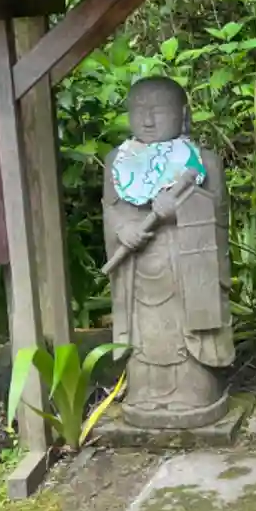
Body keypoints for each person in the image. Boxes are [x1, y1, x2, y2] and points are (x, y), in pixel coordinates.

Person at [103, 77, 232, 428]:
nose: (147, 120)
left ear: (183, 114)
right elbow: (111, 208)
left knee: (185, 329)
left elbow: (218, 212)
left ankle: (194, 392)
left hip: (186, 264)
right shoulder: (119, 160)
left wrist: (181, 210)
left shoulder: (202, 161)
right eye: (138, 110)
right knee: (145, 333)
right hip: (139, 266)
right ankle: (146, 392)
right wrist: (123, 229)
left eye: (158, 110)